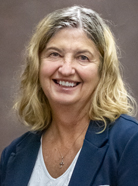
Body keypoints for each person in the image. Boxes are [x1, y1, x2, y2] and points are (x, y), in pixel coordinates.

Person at [0, 5, 138, 186]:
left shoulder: (130, 143)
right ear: (37, 65)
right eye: (55, 54)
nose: (66, 69)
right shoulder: (13, 156)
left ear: (103, 71)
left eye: (83, 57)